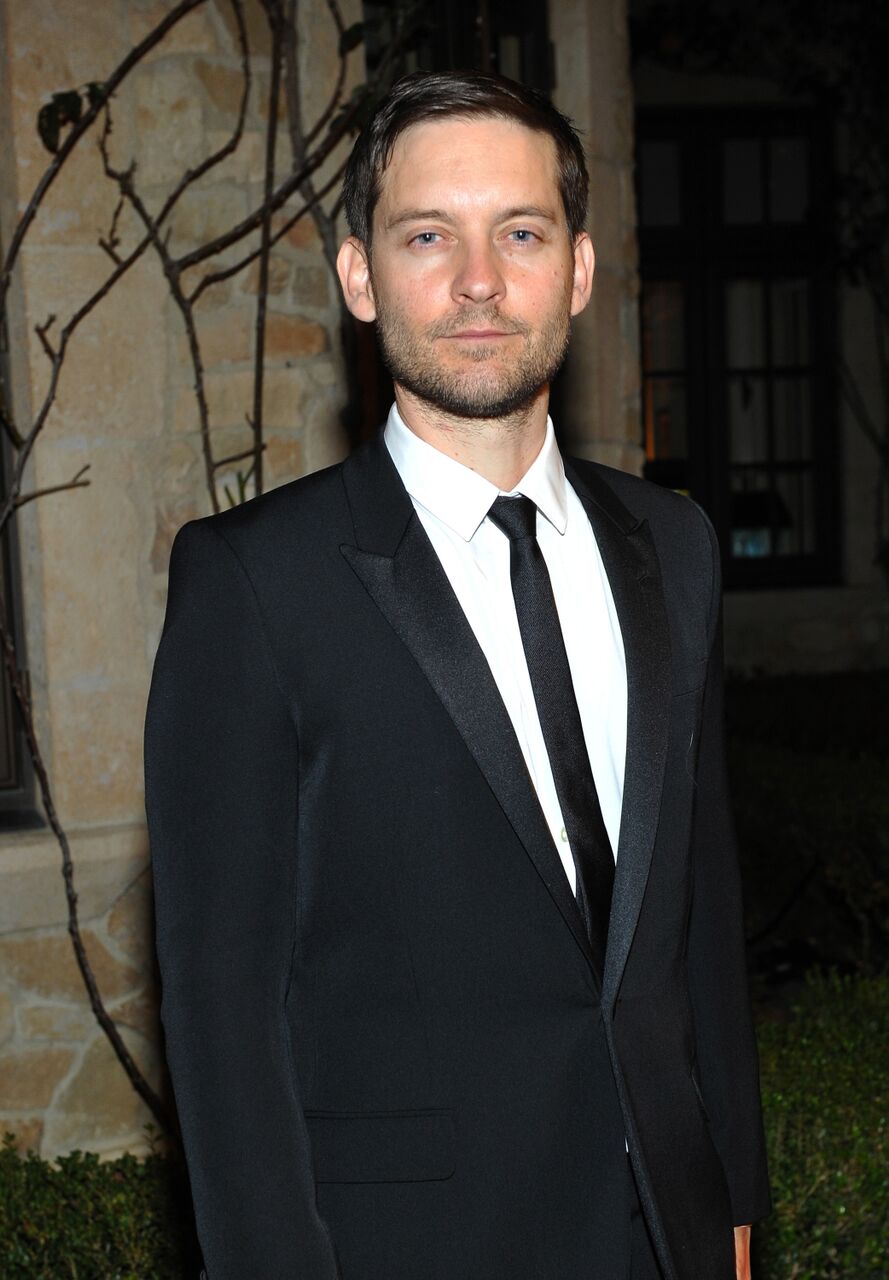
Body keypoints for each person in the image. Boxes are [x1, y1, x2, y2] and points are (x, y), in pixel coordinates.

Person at [144, 70, 770, 1280]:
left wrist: (734, 1201)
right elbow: (225, 1015)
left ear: (577, 270)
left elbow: (699, 918)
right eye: (429, 234)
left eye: (520, 232)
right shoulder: (253, 582)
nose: (479, 279)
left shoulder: (674, 547)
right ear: (360, 276)